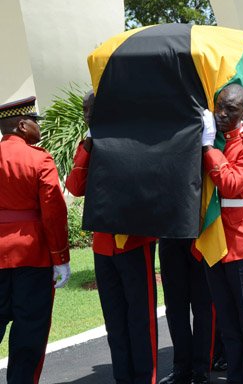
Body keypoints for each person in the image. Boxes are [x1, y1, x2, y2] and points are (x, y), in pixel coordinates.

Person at [65, 91, 159, 384]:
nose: (88, 115)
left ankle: (146, 377)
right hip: (104, 245)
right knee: (115, 320)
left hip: (134, 241)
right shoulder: (91, 146)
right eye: (85, 111)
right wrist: (88, 145)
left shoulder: (132, 140)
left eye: (93, 109)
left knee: (140, 318)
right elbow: (75, 186)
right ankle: (123, 377)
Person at [200, 84, 243, 383]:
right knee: (227, 319)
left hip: (242, 236)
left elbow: (230, 184)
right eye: (219, 107)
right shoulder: (212, 138)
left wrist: (207, 148)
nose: (222, 114)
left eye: (230, 109)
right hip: (215, 235)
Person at [0, 96, 70, 384]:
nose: (39, 129)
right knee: (30, 328)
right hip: (32, 254)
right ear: (22, 124)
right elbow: (53, 213)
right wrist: (61, 258)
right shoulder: (39, 158)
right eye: (35, 123)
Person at [158, 238, 216, 384]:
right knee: (174, 307)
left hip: (199, 234)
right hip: (170, 234)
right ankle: (181, 368)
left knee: (203, 307)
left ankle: (201, 370)